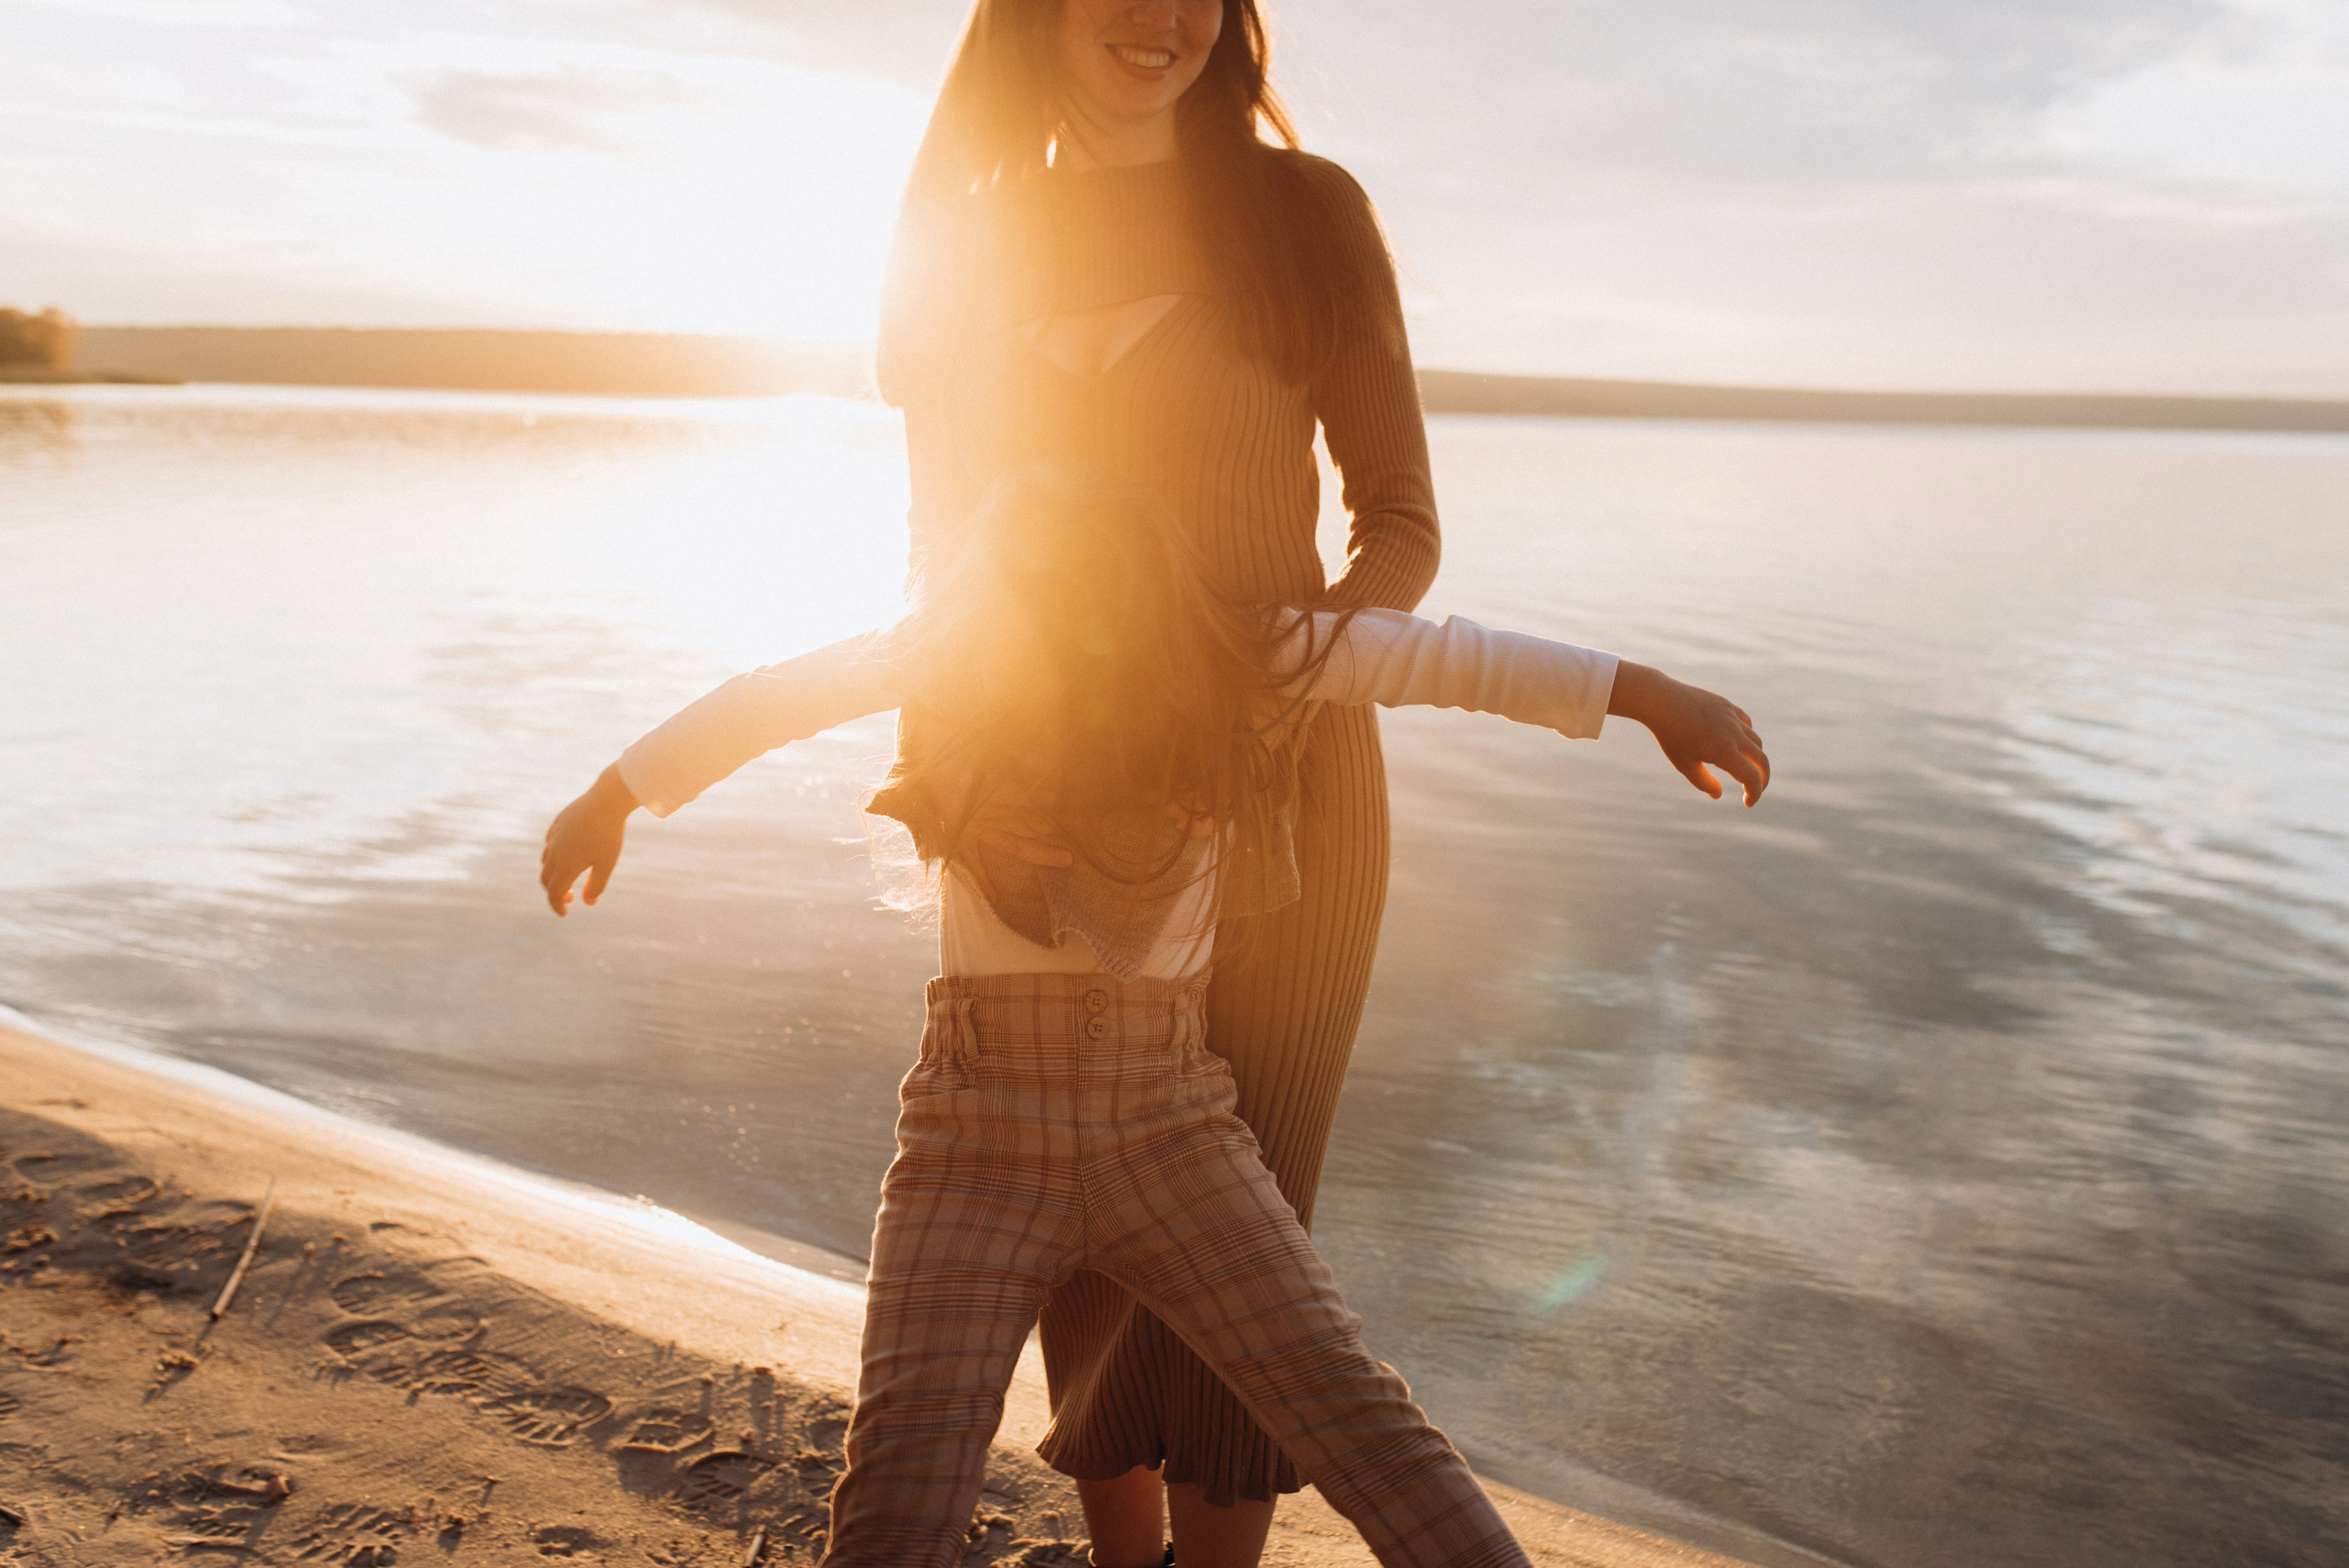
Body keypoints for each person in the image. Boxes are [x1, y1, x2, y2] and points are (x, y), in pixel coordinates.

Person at [540, 468, 1771, 1568]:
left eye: (1084, 593)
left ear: (1149, 588)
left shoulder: (1246, 657)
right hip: (975, 1133)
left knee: (1360, 1421)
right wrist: (614, 793)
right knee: (903, 1483)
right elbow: (775, 697)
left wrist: (1647, 693)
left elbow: (1444, 658)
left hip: (1172, 1126)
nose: (1062, 625)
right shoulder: (957, 659)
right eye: (1031, 594)